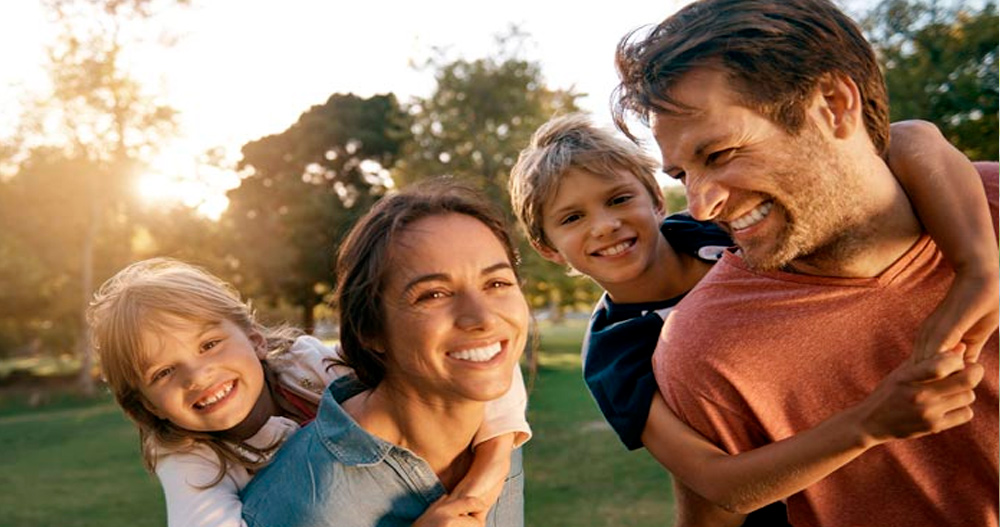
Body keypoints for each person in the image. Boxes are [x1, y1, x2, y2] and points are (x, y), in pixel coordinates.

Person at [611, 0, 999, 526]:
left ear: (835, 105)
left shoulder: (984, 209)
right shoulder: (704, 348)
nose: (700, 206)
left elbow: (912, 136)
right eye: (681, 174)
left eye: (720, 154)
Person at [509, 112, 993, 525]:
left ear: (656, 200)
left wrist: (979, 267)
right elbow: (719, 484)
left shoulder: (718, 225)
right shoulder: (618, 350)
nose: (606, 224)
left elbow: (909, 138)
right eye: (572, 218)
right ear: (548, 248)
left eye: (618, 199)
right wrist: (869, 423)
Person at [88, 256, 531, 527]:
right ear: (146, 404)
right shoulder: (188, 456)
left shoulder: (308, 365)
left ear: (255, 338)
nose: (198, 377)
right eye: (164, 372)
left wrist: (485, 475)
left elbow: (479, 365)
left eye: (209, 345)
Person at [239, 179, 531, 527]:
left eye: (497, 283)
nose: (482, 318)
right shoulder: (307, 503)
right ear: (370, 331)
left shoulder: (497, 435)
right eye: (434, 294)